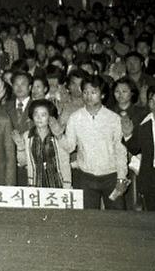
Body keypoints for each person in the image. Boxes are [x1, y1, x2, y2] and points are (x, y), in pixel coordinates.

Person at [54, 76, 128, 210]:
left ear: (103, 94)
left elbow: (120, 150)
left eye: (93, 92)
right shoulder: (75, 118)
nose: (88, 96)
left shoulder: (113, 118)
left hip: (111, 176)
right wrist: (59, 135)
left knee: (117, 219)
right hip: (86, 177)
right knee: (88, 219)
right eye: (85, 92)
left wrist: (122, 177)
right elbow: (70, 147)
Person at [14, 100, 72, 188]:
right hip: (35, 184)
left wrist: (67, 185)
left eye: (43, 115)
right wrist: (20, 146)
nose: (38, 118)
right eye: (36, 114)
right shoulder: (27, 136)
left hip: (58, 184)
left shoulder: (57, 133)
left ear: (50, 117)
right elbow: (22, 162)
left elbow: (66, 157)